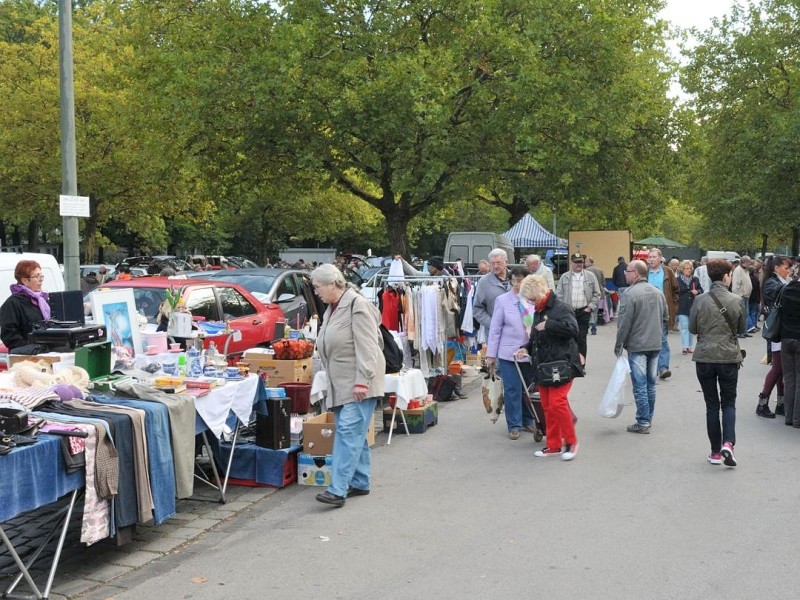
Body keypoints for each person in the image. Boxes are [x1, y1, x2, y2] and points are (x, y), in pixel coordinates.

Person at [311, 264, 385, 508]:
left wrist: (363, 380)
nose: (316, 292)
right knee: (354, 434)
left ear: (333, 284)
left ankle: (338, 489)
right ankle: (360, 481)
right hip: (341, 383)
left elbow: (369, 347)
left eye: (318, 287)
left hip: (358, 383)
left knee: (347, 434)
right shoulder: (331, 309)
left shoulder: (357, 305)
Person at [516, 274, 581, 460]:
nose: (529, 302)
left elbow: (573, 329)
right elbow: (535, 336)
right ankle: (553, 445)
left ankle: (571, 441)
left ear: (540, 292)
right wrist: (525, 348)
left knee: (557, 403)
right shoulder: (539, 309)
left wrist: (550, 325)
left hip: (562, 365)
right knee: (547, 406)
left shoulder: (561, 307)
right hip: (544, 365)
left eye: (532, 298)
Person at [689, 259, 744, 466]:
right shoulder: (736, 300)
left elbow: (693, 328)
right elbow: (740, 328)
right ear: (726, 276)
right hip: (729, 357)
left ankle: (714, 452)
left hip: (704, 356)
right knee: (729, 403)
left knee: (711, 405)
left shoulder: (700, 300)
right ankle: (728, 444)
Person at [614, 260, 668, 434]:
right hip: (655, 343)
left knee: (640, 385)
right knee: (651, 384)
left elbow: (624, 323)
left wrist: (618, 345)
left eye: (628, 271)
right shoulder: (658, 292)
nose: (625, 273)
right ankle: (647, 418)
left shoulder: (630, 294)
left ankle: (643, 421)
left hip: (638, 345)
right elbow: (666, 317)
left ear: (636, 273)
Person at [486, 266, 536, 440]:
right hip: (509, 353)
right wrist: (491, 355)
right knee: (512, 389)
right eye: (514, 280)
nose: (517, 284)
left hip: (529, 352)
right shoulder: (503, 300)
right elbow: (495, 329)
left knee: (528, 389)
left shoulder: (534, 299)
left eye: (521, 280)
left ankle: (528, 419)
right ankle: (514, 424)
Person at [757, 255, 792, 417]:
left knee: (781, 369)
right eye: (786, 268)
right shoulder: (772, 283)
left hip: (781, 330)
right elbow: (783, 296)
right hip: (777, 331)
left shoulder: (777, 281)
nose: (789, 271)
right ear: (776, 268)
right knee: (778, 368)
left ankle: (780, 403)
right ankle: (762, 402)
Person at [555, 253, 600, 361]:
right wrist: (562, 309)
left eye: (581, 262)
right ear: (571, 263)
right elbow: (559, 294)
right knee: (568, 337)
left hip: (584, 311)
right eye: (576, 262)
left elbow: (597, 293)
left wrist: (589, 308)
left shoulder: (590, 276)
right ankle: (569, 362)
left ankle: (581, 364)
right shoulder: (565, 277)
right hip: (568, 312)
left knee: (581, 338)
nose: (579, 264)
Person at [0, 260, 50, 353]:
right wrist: (32, 347)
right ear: (24, 281)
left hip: (45, 352)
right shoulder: (12, 303)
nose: (41, 279)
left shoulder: (42, 300)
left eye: (41, 276)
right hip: (25, 357)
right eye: (36, 276)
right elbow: (9, 335)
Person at [647, 248, 678, 379]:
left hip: (663, 311)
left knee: (662, 339)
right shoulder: (644, 271)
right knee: (647, 340)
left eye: (654, 257)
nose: (652, 259)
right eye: (650, 257)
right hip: (646, 311)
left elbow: (675, 290)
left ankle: (663, 368)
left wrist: (674, 308)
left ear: (660, 258)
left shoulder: (668, 271)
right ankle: (650, 368)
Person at [472, 248, 511, 336]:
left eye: (498, 263)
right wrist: (492, 324)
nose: (495, 266)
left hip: (515, 333)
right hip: (494, 334)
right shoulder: (484, 282)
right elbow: (477, 308)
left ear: (506, 262)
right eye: (492, 263)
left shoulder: (516, 278)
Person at [780, 276, 800, 427]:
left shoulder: (786, 289)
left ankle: (788, 416)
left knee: (789, 378)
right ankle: (797, 418)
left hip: (786, 338)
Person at [677, 260, 702, 354]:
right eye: (687, 268)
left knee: (691, 327)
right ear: (682, 269)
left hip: (693, 306)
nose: (689, 270)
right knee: (684, 327)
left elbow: (701, 290)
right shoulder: (677, 280)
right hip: (682, 306)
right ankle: (685, 347)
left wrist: (697, 292)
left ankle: (690, 346)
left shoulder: (695, 279)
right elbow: (675, 293)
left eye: (690, 268)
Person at [731, 256, 753, 339]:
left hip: (746, 296)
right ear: (745, 262)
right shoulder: (738, 270)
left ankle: (744, 331)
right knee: (741, 315)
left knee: (745, 314)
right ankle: (739, 332)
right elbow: (736, 285)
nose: (750, 264)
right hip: (741, 296)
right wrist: (738, 295)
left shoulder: (746, 270)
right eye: (749, 262)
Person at [584, 257, 606, 335]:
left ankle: (586, 328)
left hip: (588, 294)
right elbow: (604, 283)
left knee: (586, 311)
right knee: (595, 311)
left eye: (585, 262)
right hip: (598, 293)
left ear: (589, 262)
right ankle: (594, 329)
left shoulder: (585, 271)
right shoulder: (600, 270)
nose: (584, 264)